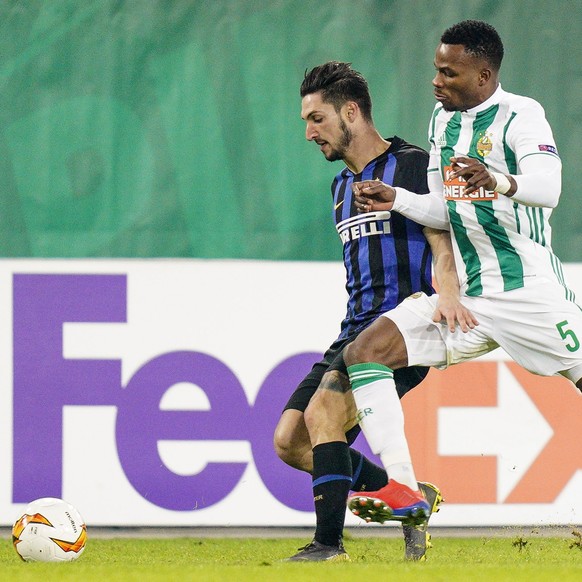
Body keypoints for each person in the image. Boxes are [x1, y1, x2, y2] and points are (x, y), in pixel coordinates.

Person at [345, 19, 582, 525]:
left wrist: (497, 178)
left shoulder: (523, 114)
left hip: (529, 294)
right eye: (435, 69)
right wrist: (397, 200)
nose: (436, 81)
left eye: (449, 73)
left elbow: (549, 189)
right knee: (364, 352)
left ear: (483, 75)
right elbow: (443, 209)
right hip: (468, 300)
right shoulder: (441, 121)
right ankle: (405, 490)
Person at [274, 61, 474, 562]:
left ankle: (328, 546)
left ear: (351, 111)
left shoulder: (411, 165)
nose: (308, 132)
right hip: (351, 329)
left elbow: (441, 237)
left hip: (399, 331)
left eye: (316, 119)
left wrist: (447, 292)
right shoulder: (341, 188)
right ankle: (409, 499)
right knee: (291, 442)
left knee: (324, 412)